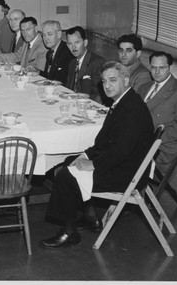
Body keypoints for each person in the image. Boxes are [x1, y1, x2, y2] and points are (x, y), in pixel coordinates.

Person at [40, 62, 154, 249]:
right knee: (70, 160)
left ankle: (69, 232)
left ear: (126, 80)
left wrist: (93, 164)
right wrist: (85, 155)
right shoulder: (122, 101)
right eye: (104, 81)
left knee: (66, 177)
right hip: (122, 162)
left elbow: (122, 150)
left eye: (113, 80)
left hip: (127, 173)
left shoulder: (131, 108)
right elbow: (104, 140)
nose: (107, 85)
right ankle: (90, 216)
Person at [137, 51, 177, 173]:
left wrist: (151, 139)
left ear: (170, 67)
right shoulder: (144, 87)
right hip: (138, 141)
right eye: (153, 67)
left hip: (161, 147)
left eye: (162, 68)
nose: (157, 72)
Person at [65, 26, 106, 104]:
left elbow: (99, 94)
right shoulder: (72, 63)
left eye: (77, 42)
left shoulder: (97, 62)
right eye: (70, 43)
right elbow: (69, 89)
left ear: (85, 43)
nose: (73, 47)